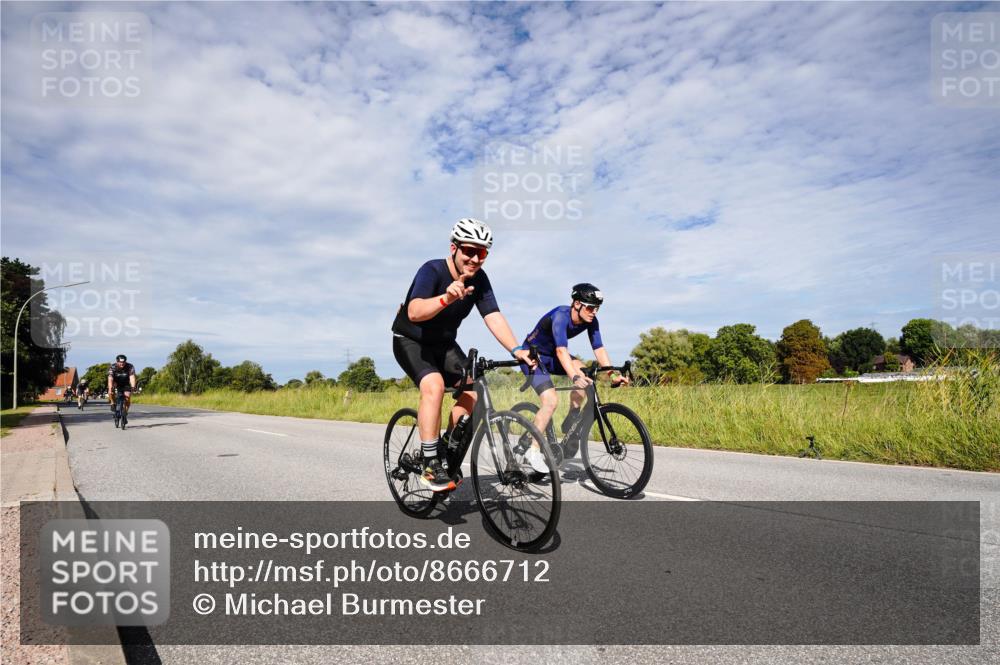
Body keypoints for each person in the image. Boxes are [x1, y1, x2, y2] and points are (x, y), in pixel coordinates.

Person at [392, 218, 536, 491]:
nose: (474, 258)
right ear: (454, 248)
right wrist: (447, 297)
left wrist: (516, 349)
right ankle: (431, 463)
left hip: (444, 344)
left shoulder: (480, 280)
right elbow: (414, 311)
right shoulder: (432, 270)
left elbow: (493, 316)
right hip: (411, 340)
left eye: (481, 253)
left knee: (473, 390)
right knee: (433, 385)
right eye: (469, 250)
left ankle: (445, 450)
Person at [519, 283, 629, 466]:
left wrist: (612, 375)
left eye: (597, 308)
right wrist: (574, 377)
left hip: (552, 356)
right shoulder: (560, 316)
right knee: (551, 400)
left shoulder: (591, 320)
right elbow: (562, 351)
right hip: (532, 357)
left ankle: (572, 416)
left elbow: (599, 349)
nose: (594, 312)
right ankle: (533, 450)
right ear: (577, 304)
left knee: (586, 373)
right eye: (591, 307)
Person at [107, 354, 137, 424]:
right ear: (117, 362)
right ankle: (112, 402)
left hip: (126, 384)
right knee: (110, 391)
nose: (122, 364)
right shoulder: (113, 367)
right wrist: (110, 388)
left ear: (125, 362)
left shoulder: (130, 366)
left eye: (123, 362)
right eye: (120, 362)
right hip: (115, 383)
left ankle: (125, 413)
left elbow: (132, 377)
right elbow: (110, 378)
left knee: (128, 397)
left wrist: (133, 386)